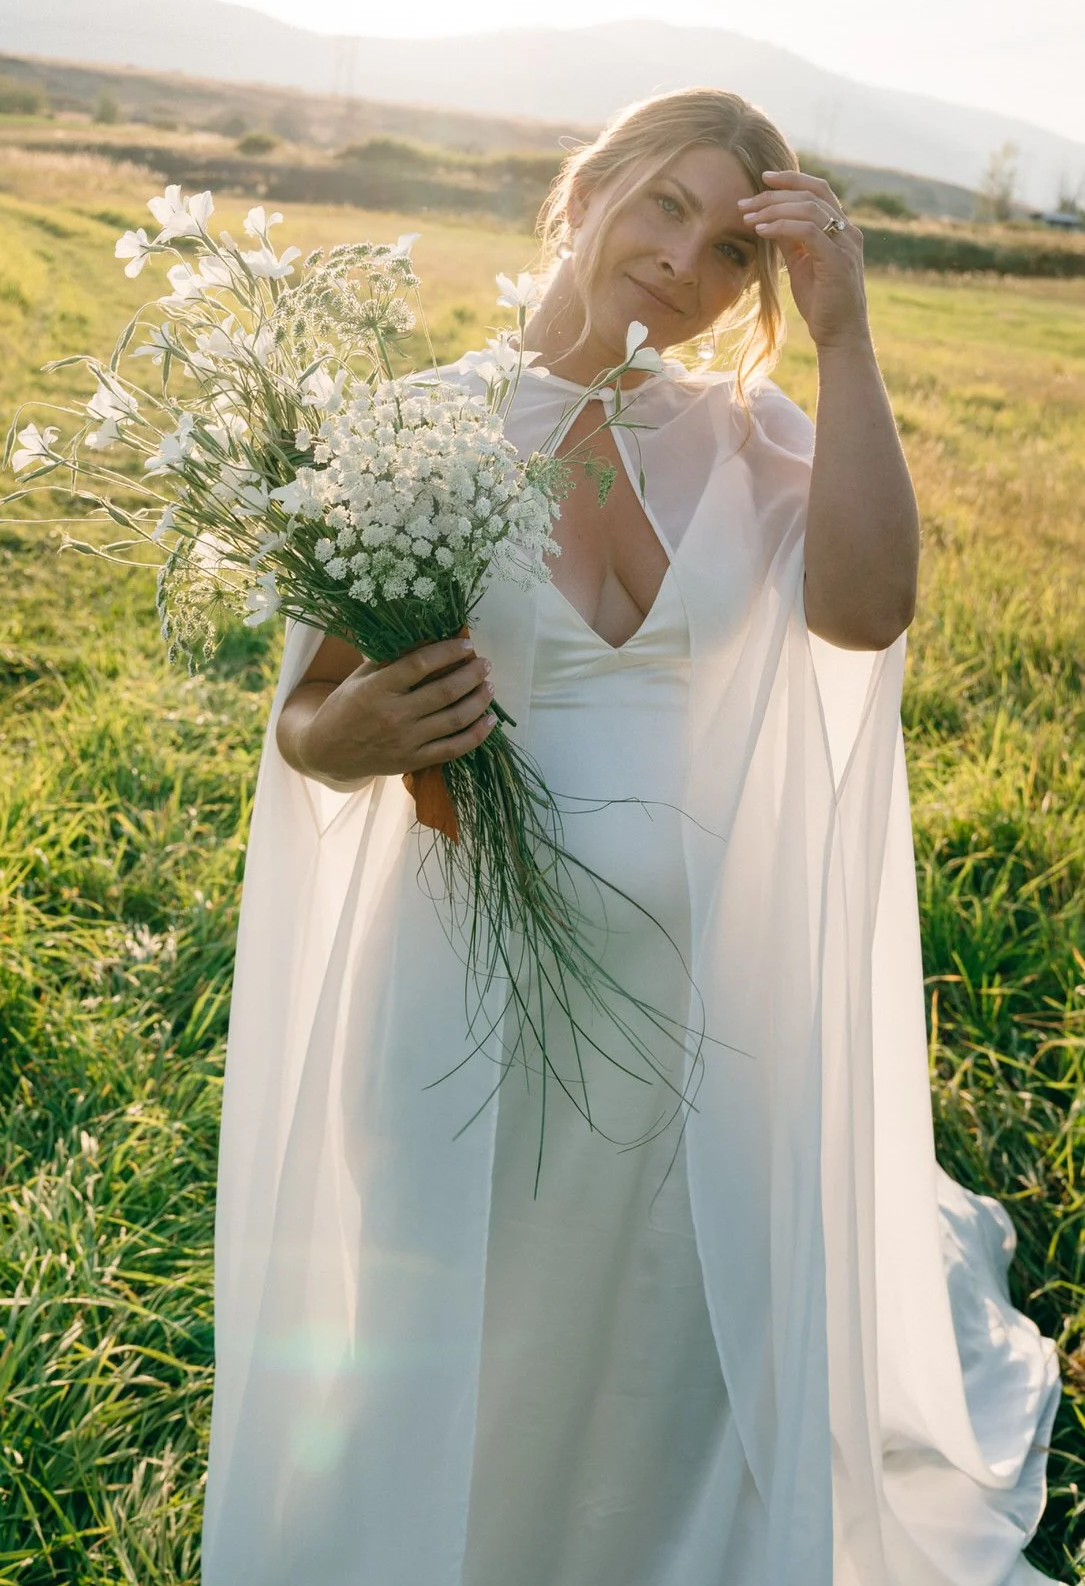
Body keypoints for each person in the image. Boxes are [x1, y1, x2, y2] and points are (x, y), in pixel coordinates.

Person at [201, 90, 1061, 1585]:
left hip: (703, 1003)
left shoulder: (746, 438)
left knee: (672, 1336)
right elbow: (308, 724)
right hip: (465, 984)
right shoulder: (415, 429)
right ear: (584, 189)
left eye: (733, 249)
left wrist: (847, 336)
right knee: (457, 1313)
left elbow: (869, 610)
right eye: (665, 203)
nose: (684, 260)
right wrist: (358, 734)